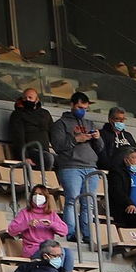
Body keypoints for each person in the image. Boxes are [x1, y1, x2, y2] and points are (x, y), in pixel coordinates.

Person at [51, 92, 104, 242]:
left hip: (91, 166)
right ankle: (71, 233)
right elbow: (57, 146)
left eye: (85, 108)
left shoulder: (89, 124)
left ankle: (87, 235)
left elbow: (100, 148)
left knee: (89, 204)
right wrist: (76, 139)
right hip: (71, 166)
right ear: (72, 105)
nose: (83, 110)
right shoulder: (60, 124)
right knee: (71, 201)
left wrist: (98, 138)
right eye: (80, 107)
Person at [8, 185, 72, 270]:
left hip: (49, 247)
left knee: (68, 252)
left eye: (41, 194)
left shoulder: (51, 214)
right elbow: (11, 230)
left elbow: (64, 231)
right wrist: (27, 224)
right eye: (35, 194)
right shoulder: (25, 213)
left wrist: (52, 224)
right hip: (32, 249)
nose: (37, 196)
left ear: (46, 197)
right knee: (61, 252)